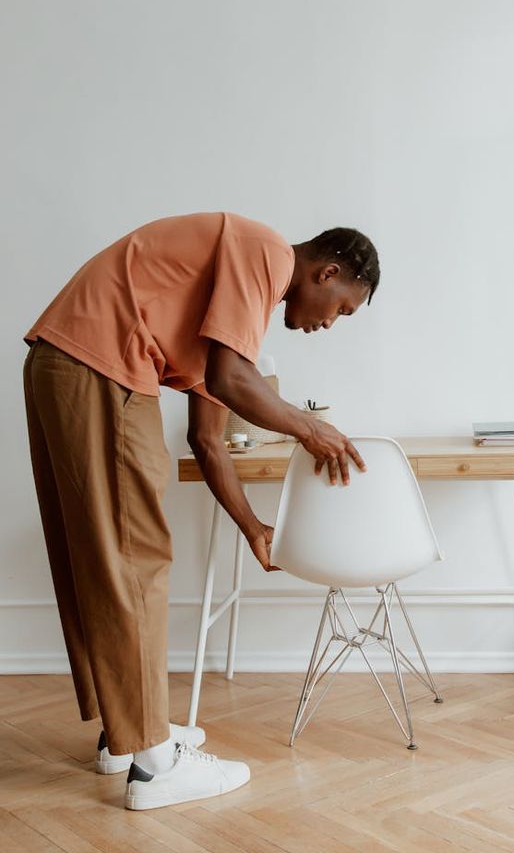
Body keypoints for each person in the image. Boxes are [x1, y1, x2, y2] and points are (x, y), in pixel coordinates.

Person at [21, 211, 379, 810]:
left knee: (100, 553)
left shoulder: (230, 319)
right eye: (341, 309)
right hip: (99, 368)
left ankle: (129, 733)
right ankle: (156, 765)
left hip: (71, 363)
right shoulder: (263, 250)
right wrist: (308, 429)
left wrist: (254, 528)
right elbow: (235, 380)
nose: (329, 325)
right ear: (328, 272)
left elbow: (208, 440)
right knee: (134, 558)